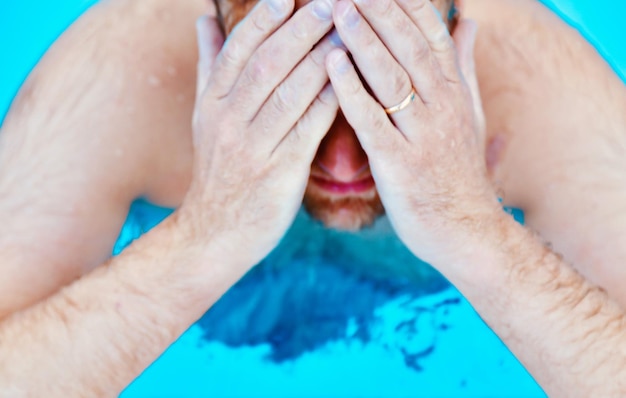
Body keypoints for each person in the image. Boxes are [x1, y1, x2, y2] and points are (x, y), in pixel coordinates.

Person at [0, 0, 624, 395]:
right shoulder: (119, 76)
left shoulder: (544, 94)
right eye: (285, 93)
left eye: (387, 94)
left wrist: (470, 227)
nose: (344, 163)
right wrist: (204, 238)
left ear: (455, 27)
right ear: (216, 30)